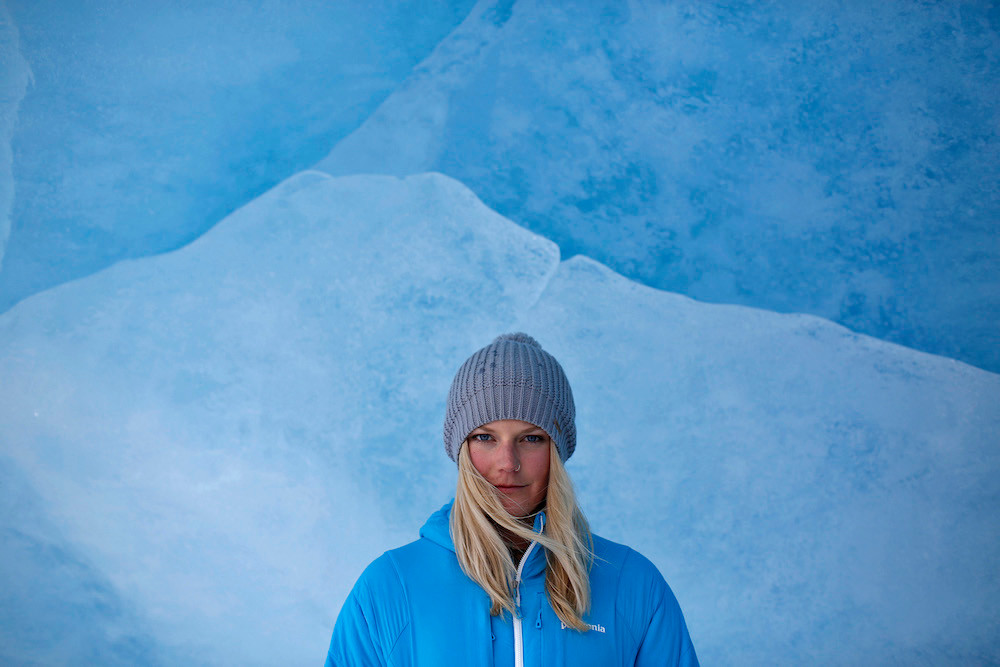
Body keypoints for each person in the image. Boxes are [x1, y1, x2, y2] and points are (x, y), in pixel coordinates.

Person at [325, 333, 698, 666]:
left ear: (558, 450)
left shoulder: (632, 583)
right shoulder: (389, 587)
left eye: (531, 438)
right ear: (460, 450)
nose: (508, 464)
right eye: (485, 438)